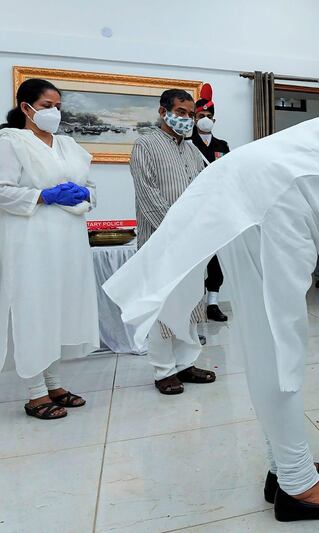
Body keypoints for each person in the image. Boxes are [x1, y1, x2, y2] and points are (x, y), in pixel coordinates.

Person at [103, 112, 319, 522]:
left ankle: (285, 467)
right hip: (268, 208)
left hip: (264, 206)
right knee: (277, 345)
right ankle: (298, 486)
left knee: (270, 343)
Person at [0, 78, 99, 420]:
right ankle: (34, 393)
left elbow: (90, 186)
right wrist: (43, 195)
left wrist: (85, 194)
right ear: (26, 107)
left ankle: (54, 383)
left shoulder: (68, 145)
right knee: (33, 310)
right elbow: (1, 190)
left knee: (58, 311)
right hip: (30, 242)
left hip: (67, 243)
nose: (54, 112)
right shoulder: (11, 142)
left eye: (58, 106)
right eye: (46, 106)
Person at [130, 88, 214, 395]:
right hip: (160, 241)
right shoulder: (145, 144)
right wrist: (174, 231)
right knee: (163, 306)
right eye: (181, 112)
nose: (187, 119)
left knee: (190, 302)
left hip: (192, 243)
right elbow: (147, 194)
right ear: (163, 111)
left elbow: (203, 192)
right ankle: (164, 370)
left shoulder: (192, 150)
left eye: (191, 114)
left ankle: (185, 363)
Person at [190, 83, 230, 322]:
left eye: (208, 116)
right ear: (194, 118)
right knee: (194, 259)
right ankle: (193, 305)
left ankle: (212, 304)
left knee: (216, 259)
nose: (205, 120)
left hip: (216, 207)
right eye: (201, 116)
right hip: (193, 207)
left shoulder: (222, 146)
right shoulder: (186, 143)